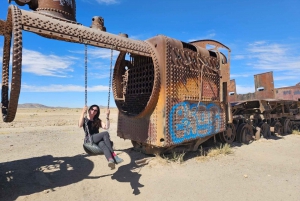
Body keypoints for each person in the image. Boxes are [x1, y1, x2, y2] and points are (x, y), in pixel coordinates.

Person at [78, 104, 123, 169]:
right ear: (89, 109)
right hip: (89, 139)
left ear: (97, 112)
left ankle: (111, 161)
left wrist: (107, 116)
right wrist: (82, 112)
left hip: (97, 139)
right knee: (105, 133)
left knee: (103, 145)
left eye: (95, 110)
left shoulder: (97, 120)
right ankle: (113, 154)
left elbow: (106, 127)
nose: (93, 111)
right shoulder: (85, 119)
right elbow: (79, 125)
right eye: (92, 109)